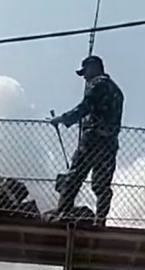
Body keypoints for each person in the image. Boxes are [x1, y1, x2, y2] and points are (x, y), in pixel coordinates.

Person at [49, 55, 124, 226]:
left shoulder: (97, 84)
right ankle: (100, 220)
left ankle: (64, 213)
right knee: (101, 184)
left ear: (94, 67)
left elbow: (85, 106)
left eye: (85, 72)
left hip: (93, 139)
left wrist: (63, 119)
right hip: (110, 142)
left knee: (74, 176)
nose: (84, 77)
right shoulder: (117, 91)